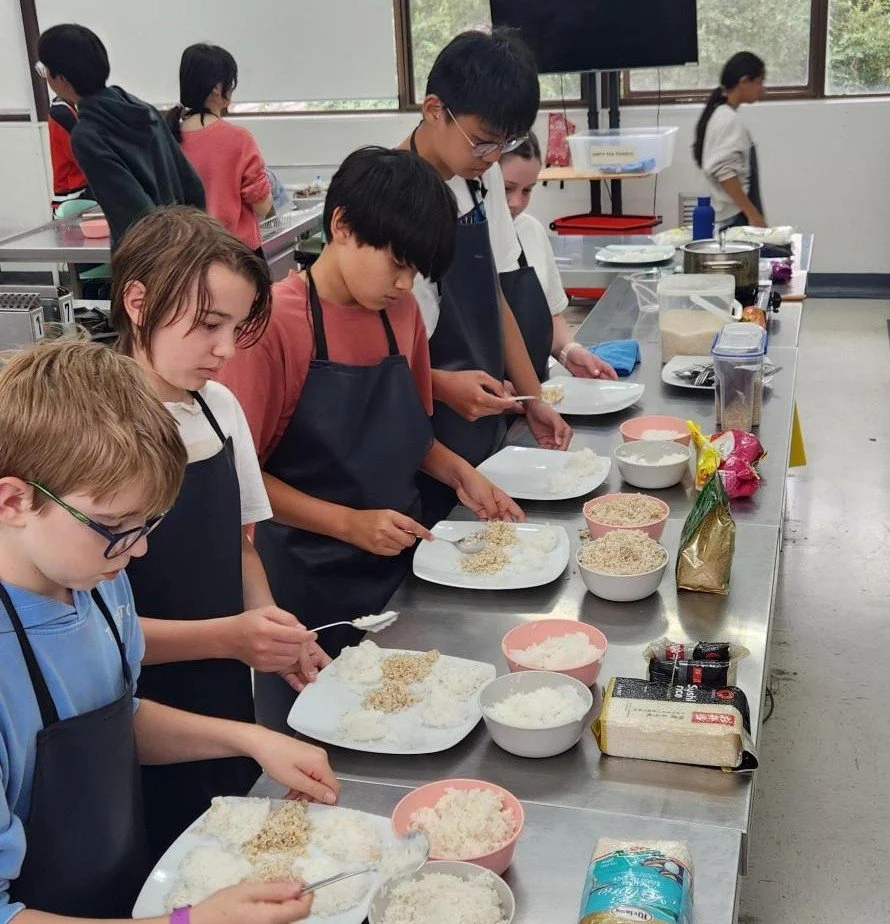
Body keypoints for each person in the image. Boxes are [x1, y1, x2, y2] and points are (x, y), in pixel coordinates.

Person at [0, 338, 338, 924]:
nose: (141, 548)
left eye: (147, 522)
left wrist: (251, 739)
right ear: (13, 500)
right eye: (114, 525)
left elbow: (111, 721)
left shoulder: (96, 580)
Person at [218, 146, 523, 731]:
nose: (405, 283)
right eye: (397, 263)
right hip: (307, 582)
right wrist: (348, 524)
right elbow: (241, 482)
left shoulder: (401, 313)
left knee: (407, 724)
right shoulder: (274, 325)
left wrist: (465, 476)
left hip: (399, 570)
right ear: (341, 227)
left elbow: (411, 433)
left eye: (417, 272)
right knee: (323, 740)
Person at [107, 206, 331, 856]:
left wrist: (270, 628)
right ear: (139, 301)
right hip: (138, 710)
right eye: (208, 326)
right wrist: (231, 637)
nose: (227, 350)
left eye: (236, 328)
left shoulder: (219, 407)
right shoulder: (94, 434)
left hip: (227, 692)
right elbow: (96, 638)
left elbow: (237, 545)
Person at [400, 29, 572, 525]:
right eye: (483, 142)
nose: (493, 157)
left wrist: (532, 398)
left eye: (506, 144)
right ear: (434, 109)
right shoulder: (389, 193)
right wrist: (439, 385)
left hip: (482, 410)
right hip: (417, 419)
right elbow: (364, 350)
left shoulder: (481, 177)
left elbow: (494, 295)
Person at [36, 23, 206, 247]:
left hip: (149, 256)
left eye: (45, 69)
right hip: (187, 242)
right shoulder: (143, 109)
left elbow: (133, 216)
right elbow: (192, 186)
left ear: (61, 79)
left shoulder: (88, 135)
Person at [499, 131, 619, 382]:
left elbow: (551, 315)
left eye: (527, 191)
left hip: (538, 391)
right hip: (484, 401)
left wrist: (569, 352)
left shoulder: (530, 230)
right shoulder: (464, 240)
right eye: (507, 188)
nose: (515, 202)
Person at [166, 44, 274, 254]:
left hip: (186, 255)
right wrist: (272, 207)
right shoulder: (237, 138)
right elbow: (260, 203)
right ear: (217, 87)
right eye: (230, 81)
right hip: (236, 254)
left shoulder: (169, 136)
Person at [693, 52, 767, 230]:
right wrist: (752, 214)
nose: (762, 89)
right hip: (733, 219)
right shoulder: (729, 120)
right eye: (759, 82)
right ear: (743, 82)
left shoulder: (720, 113)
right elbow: (725, 173)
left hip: (729, 217)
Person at [47, 96, 91, 212]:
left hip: (77, 189)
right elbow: (82, 155)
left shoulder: (68, 109)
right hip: (73, 193)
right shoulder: (62, 114)